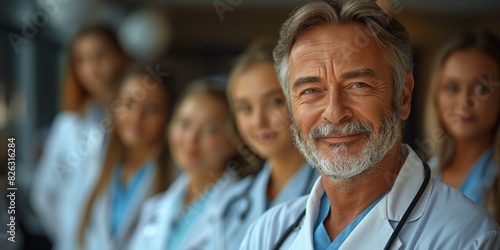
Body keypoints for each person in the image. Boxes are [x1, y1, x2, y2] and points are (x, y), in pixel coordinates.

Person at [240, 1, 500, 249]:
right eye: (311, 90)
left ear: (403, 96)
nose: (334, 114)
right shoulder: (267, 233)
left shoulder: (468, 236)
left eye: (358, 86)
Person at [31, 23, 129, 240]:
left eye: (100, 55)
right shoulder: (68, 125)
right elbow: (43, 194)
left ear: (119, 57)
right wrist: (70, 235)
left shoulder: (134, 121)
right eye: (81, 60)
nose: (92, 68)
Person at [218, 39, 319, 250]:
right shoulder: (232, 202)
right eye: (245, 108)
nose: (258, 121)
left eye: (274, 102)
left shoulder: (332, 195)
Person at [127, 79, 246, 250]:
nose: (191, 138)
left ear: (233, 141)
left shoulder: (239, 210)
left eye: (209, 129)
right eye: (184, 124)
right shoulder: (156, 208)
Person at [75, 67, 175, 250]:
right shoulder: (100, 163)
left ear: (168, 116)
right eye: (128, 103)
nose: (137, 117)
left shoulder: (175, 177)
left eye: (152, 108)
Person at [427, 31, 500, 223]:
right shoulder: (424, 174)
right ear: (436, 95)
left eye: (481, 88)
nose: (464, 102)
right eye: (452, 87)